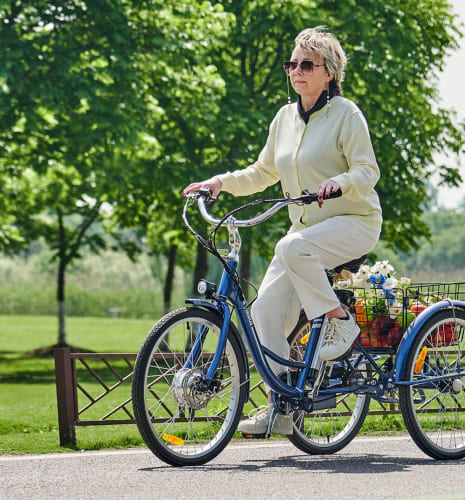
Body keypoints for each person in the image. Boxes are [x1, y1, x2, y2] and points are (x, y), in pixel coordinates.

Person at [183, 26, 382, 436]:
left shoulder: (347, 115)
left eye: (306, 64)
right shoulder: (285, 119)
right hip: (305, 238)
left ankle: (338, 319)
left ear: (329, 72)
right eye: (292, 64)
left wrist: (338, 183)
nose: (296, 71)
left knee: (292, 246)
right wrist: (219, 182)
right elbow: (263, 172)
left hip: (354, 223)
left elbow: (368, 170)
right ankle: (283, 407)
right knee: (263, 310)